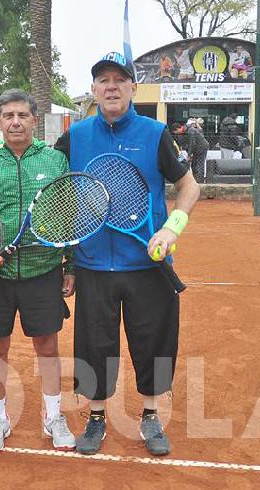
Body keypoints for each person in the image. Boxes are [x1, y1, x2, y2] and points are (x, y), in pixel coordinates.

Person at [53, 51, 201, 456]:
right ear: (94, 90)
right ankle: (96, 419)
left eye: (120, 79)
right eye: (104, 80)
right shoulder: (75, 136)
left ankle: (151, 416)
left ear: (134, 87)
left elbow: (189, 188)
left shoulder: (155, 134)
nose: (112, 86)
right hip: (93, 263)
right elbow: (57, 195)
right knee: (94, 344)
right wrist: (68, 258)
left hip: (148, 264)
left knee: (153, 341)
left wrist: (172, 228)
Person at [0, 89, 78, 454]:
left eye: (22, 115)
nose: (16, 121)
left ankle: (53, 416)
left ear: (34, 120)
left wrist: (70, 264)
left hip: (43, 270)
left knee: (48, 347)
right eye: (8, 115)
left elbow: (69, 213)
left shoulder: (55, 161)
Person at [185, 117, 209, 181]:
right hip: (198, 148)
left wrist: (189, 154)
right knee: (197, 163)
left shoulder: (192, 130)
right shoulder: (196, 129)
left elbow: (192, 143)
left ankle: (199, 179)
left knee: (199, 163)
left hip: (201, 148)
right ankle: (197, 178)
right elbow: (192, 143)